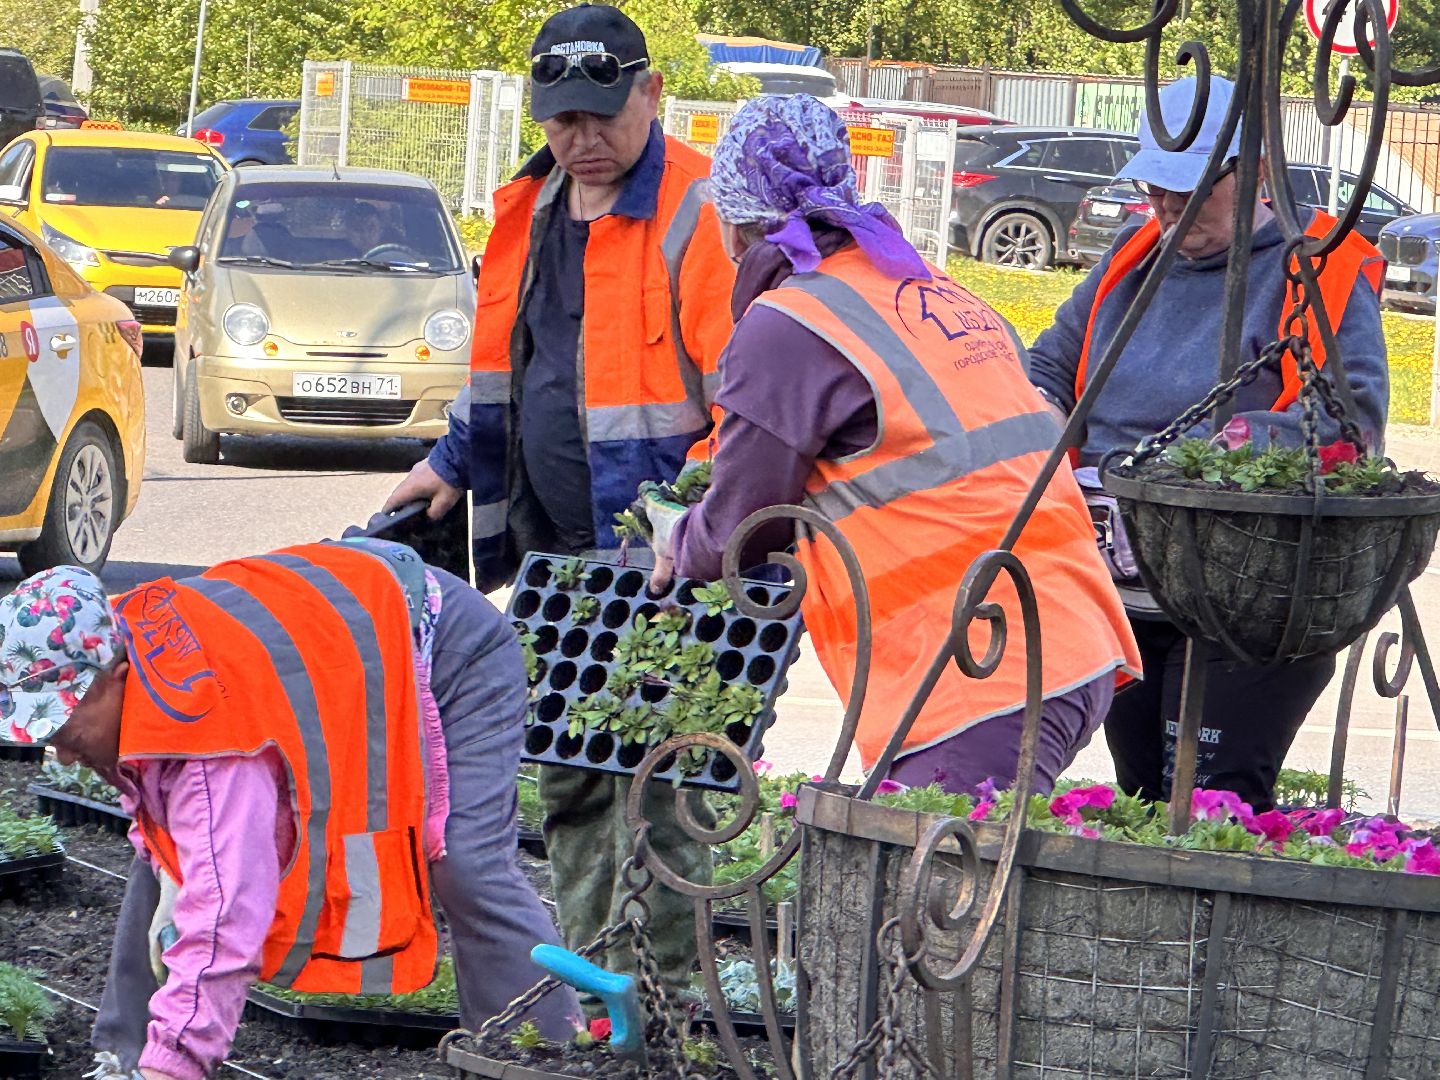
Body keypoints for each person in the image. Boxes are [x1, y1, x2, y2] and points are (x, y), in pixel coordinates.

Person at [383, 4, 736, 1001]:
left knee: (666, 784)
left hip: (668, 561)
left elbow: (745, 404)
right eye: (560, 120)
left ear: (652, 94)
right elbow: (505, 369)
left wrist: (688, 515)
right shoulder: (527, 212)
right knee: (575, 778)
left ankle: (665, 1010)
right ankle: (596, 1002)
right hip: (558, 558)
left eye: (602, 116)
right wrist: (452, 461)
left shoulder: (698, 214)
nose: (581, 139)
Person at [649, 95, 1141, 797]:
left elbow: (740, 530)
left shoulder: (789, 323)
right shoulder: (932, 289)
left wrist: (678, 537)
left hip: (978, 663)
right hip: (1061, 634)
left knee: (937, 898)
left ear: (732, 226)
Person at [0, 541, 579, 1080]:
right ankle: (122, 1059)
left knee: (467, 865)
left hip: (439, 640)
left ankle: (540, 1054)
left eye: (63, 727)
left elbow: (228, 921)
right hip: (341, 626)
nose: (64, 754)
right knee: (166, 864)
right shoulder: (108, 638)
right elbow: (163, 813)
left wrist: (175, 1065)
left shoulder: (216, 738)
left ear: (116, 677)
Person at [1025, 76, 1388, 811]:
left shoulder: (1317, 269)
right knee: (1142, 797)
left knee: (1209, 800)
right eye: (1156, 186)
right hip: (1120, 587)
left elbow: (1352, 425)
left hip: (1249, 593)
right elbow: (1052, 361)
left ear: (1252, 172)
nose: (1168, 206)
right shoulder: (1133, 259)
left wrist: (1232, 450)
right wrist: (1036, 408)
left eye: (1191, 188)